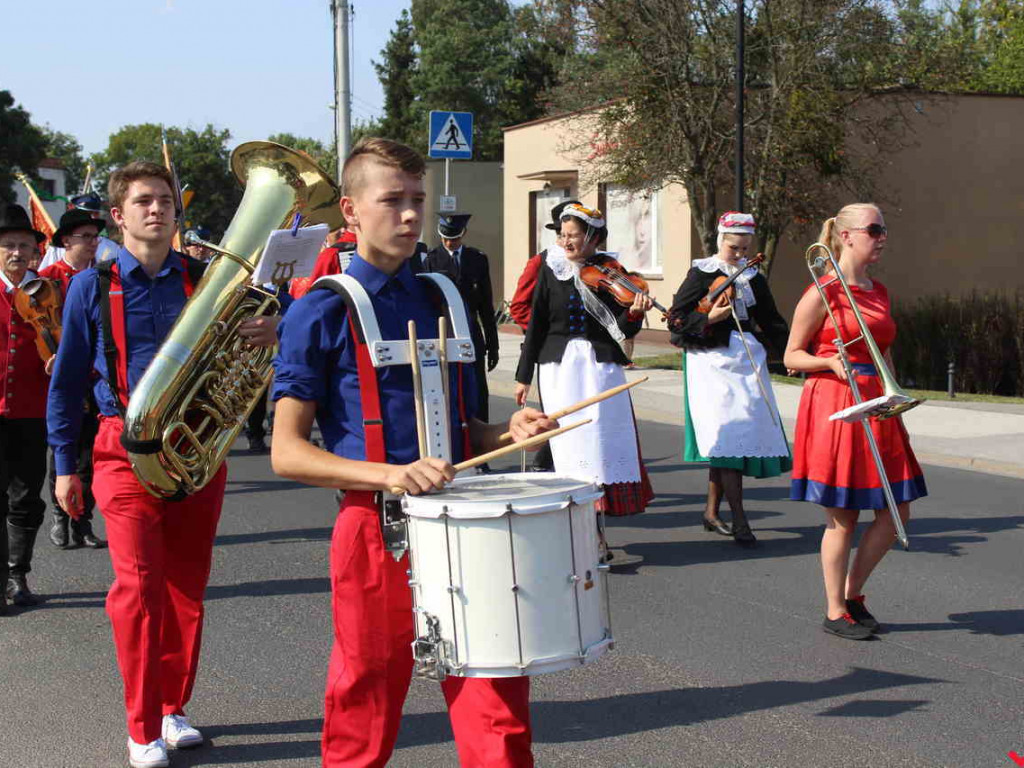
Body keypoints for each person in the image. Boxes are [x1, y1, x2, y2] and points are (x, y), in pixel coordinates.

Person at [271, 137, 557, 768]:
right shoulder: (320, 310)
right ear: (350, 210)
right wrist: (390, 474)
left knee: (497, 701)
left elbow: (464, 429)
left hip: (467, 526)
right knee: (364, 702)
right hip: (376, 531)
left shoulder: (443, 298)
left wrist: (508, 432)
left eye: (417, 200)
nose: (408, 215)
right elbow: (287, 454)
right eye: (391, 200)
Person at [48, 161, 279, 768]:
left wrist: (270, 332)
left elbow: (242, 359)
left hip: (194, 450)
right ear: (118, 217)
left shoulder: (209, 280)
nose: (157, 210)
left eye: (166, 201)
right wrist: (65, 467)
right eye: (143, 201)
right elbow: (68, 381)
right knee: (138, 588)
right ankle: (142, 722)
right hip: (118, 447)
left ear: (178, 212)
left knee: (185, 586)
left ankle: (173, 708)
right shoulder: (88, 287)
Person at [783, 203, 927, 641]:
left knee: (896, 509)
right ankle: (833, 610)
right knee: (842, 516)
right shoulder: (822, 292)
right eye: (873, 229)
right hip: (836, 402)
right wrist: (828, 361)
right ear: (846, 236)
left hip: (878, 402)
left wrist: (894, 391)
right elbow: (791, 357)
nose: (882, 236)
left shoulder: (878, 291)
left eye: (884, 229)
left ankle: (853, 593)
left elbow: (883, 350)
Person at [514, 203, 654, 557]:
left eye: (573, 235)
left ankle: (595, 534)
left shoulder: (611, 271)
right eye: (562, 235)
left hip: (600, 369)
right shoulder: (549, 267)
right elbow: (537, 324)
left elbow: (621, 328)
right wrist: (523, 375)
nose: (565, 241)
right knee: (569, 449)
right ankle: (582, 536)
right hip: (559, 370)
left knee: (599, 450)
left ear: (593, 237)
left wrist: (634, 312)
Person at [667, 212, 791, 547]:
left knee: (736, 437)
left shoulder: (753, 277)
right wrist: (710, 316)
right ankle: (740, 520)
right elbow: (676, 320)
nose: (739, 254)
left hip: (747, 359)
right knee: (728, 438)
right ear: (720, 239)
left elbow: (771, 320)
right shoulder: (702, 272)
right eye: (734, 247)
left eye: (745, 248)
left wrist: (791, 354)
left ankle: (711, 512)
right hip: (710, 361)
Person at [39, 209, 108, 550]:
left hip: (95, 380)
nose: (93, 243)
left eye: (96, 238)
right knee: (63, 451)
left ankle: (83, 522)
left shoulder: (103, 278)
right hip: (64, 377)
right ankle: (59, 517)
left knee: (91, 456)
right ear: (66, 241)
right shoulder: (47, 278)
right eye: (86, 237)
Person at [0, 204, 51, 614]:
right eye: (9, 246)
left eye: (24, 246)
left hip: (34, 410)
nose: (17, 253)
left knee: (27, 497)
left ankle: (18, 575)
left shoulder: (49, 291)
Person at [509, 199, 580, 472]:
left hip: (587, 356)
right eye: (566, 232)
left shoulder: (593, 262)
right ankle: (545, 464)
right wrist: (547, 331)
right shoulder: (542, 261)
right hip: (554, 351)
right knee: (558, 412)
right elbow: (519, 307)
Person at [424, 213, 500, 421]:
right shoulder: (431, 260)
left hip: (471, 330)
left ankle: (479, 433)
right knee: (450, 389)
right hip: (444, 333)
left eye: (455, 238)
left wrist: (493, 344)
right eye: (445, 238)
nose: (449, 242)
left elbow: (486, 304)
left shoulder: (477, 259)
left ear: (463, 234)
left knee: (476, 388)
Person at [39, 192, 118, 269]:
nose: (92, 217)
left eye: (96, 213)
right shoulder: (57, 249)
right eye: (89, 213)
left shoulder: (112, 247)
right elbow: (47, 277)